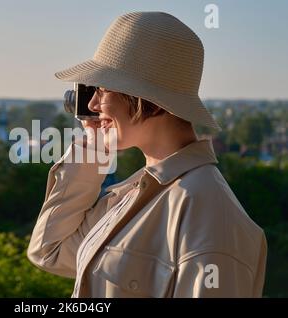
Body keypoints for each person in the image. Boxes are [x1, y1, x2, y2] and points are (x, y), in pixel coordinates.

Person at [27, 11, 267, 298]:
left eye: (102, 90)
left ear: (144, 97)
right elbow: (49, 250)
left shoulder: (209, 218)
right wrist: (92, 149)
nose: (92, 103)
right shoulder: (137, 196)